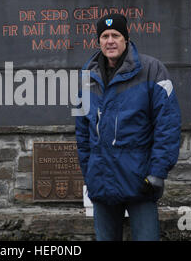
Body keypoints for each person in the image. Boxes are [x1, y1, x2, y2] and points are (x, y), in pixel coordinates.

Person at [75, 13, 181, 241]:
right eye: (104, 36)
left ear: (126, 39)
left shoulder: (153, 70)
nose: (110, 41)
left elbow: (168, 125)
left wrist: (158, 172)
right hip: (101, 182)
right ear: (98, 41)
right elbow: (82, 131)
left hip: (141, 182)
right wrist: (89, 171)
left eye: (115, 35)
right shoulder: (86, 77)